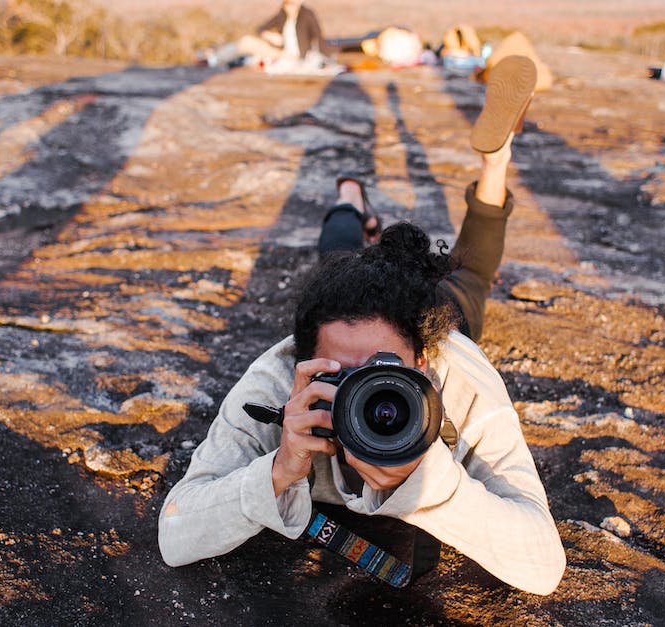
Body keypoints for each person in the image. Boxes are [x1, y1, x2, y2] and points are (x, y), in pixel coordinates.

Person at [158, 56, 566, 595]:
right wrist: (278, 470)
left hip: (432, 315)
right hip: (372, 311)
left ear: (423, 363)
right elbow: (175, 535)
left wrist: (433, 482)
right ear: (303, 364)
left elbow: (543, 565)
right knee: (336, 262)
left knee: (468, 276)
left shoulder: (463, 386)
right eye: (339, 374)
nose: (362, 391)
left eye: (383, 371)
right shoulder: (277, 384)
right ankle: (350, 198)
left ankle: (495, 163)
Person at [202, 0, 333, 69]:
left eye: (292, 3)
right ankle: (214, 54)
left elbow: (319, 37)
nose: (289, 7)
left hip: (295, 56)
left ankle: (214, 58)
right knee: (245, 42)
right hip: (280, 52)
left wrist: (329, 58)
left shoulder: (307, 15)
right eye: (287, 3)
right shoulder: (283, 15)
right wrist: (270, 36)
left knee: (246, 43)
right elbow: (260, 28)